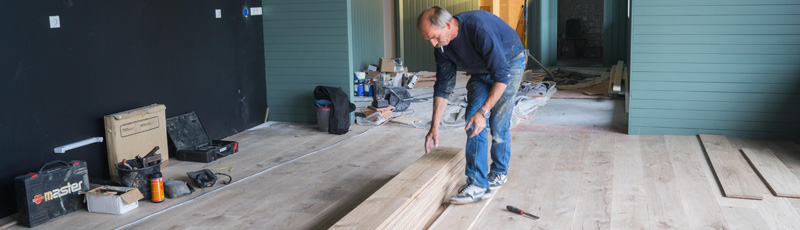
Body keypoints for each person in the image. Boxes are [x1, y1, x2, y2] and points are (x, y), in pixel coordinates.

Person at [418, 6, 525, 204]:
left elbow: (501, 76)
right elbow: (443, 87)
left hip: (510, 63)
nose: (433, 43)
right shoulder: (442, 46)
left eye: (434, 37)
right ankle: (478, 184)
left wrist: (484, 112)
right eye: (429, 40)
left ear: (448, 25)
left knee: (498, 123)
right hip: (480, 70)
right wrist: (434, 126)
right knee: (472, 120)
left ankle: (499, 171)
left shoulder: (479, 29)